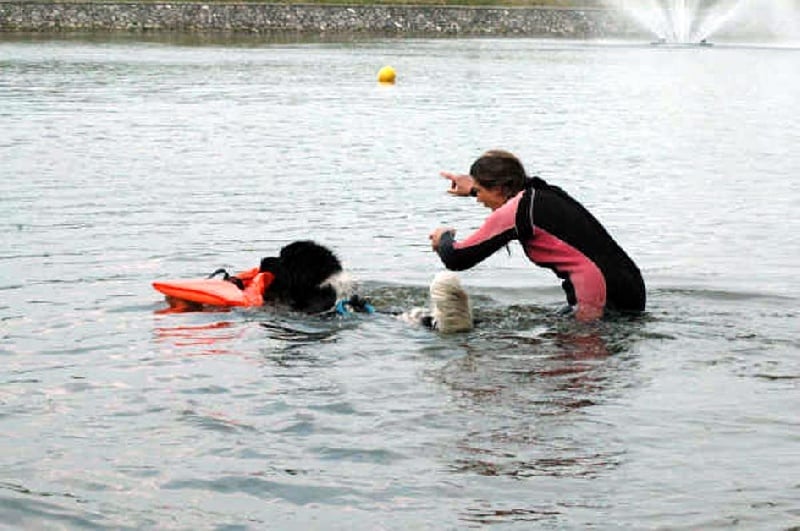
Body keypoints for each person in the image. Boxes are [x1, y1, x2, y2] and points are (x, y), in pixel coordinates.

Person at [429, 150, 646, 321]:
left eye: (480, 191)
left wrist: (444, 237)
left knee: (580, 369)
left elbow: (457, 258)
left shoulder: (515, 211)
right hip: (630, 286)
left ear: (497, 189)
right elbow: (501, 190)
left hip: (597, 295)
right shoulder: (541, 193)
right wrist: (474, 187)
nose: (478, 199)